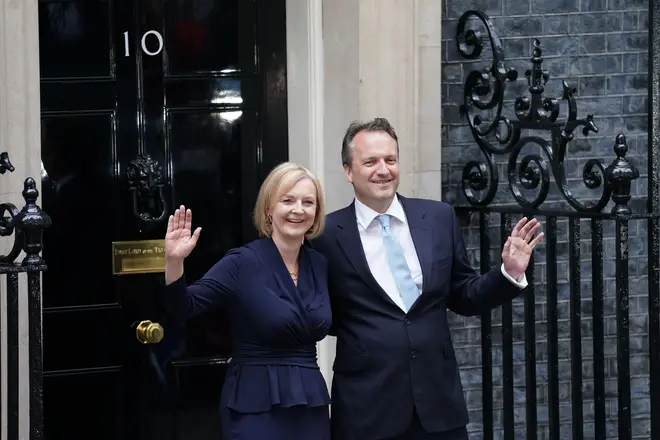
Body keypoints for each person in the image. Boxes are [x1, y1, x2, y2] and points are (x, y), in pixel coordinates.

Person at [311, 118, 544, 440]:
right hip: (367, 407)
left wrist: (509, 273)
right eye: (370, 161)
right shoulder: (324, 236)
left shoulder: (437, 217)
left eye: (390, 160)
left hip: (438, 404)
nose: (383, 169)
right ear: (349, 171)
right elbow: (322, 314)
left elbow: (464, 294)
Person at [163, 162, 332, 440]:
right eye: (287, 200)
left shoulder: (320, 264)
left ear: (316, 212)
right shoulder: (242, 262)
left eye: (308, 202)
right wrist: (174, 261)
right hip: (254, 401)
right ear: (269, 208)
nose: (298, 209)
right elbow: (183, 307)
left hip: (309, 401)